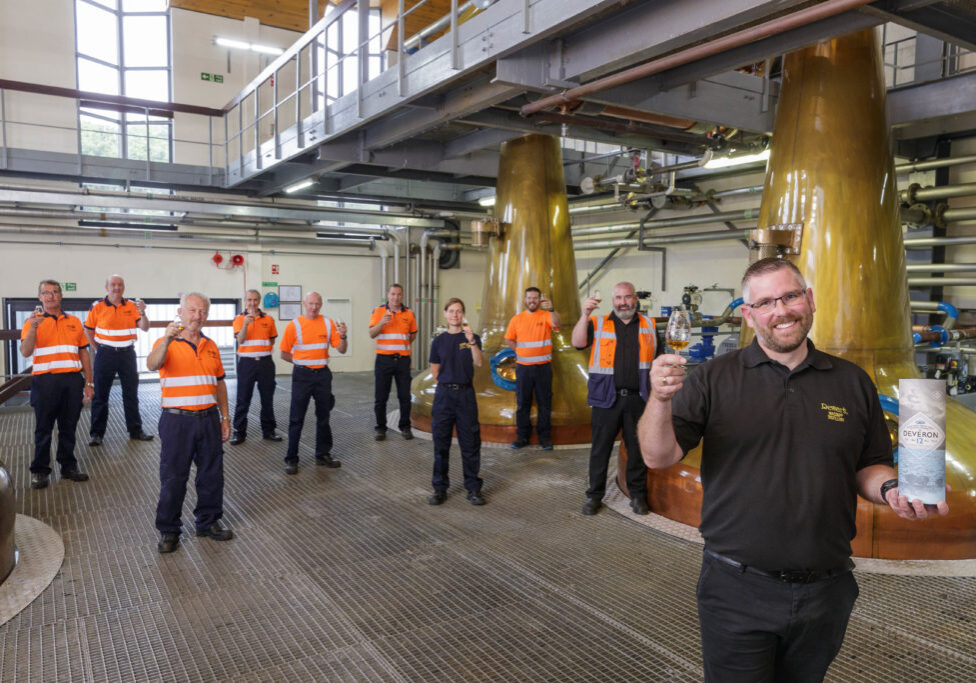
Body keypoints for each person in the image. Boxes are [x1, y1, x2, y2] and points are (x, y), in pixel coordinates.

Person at [638, 257, 950, 682]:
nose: (780, 310)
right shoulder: (713, 378)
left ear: (810, 300)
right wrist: (658, 400)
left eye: (790, 296)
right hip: (736, 587)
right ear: (748, 315)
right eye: (765, 302)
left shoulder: (852, 382)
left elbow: (869, 465)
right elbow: (658, 456)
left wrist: (893, 488)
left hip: (827, 588)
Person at [147, 291, 233, 554]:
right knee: (173, 476)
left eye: (203, 311)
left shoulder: (211, 345)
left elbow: (219, 383)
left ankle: (208, 522)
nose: (198, 316)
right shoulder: (167, 342)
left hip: (208, 419)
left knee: (211, 474)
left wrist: (225, 417)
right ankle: (169, 529)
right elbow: (152, 364)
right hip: (177, 421)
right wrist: (166, 339)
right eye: (193, 310)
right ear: (180, 312)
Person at [571, 281, 655, 516]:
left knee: (637, 450)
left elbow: (657, 360)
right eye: (618, 298)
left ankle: (637, 496)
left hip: (639, 399)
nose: (623, 302)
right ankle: (594, 496)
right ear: (612, 300)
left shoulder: (648, 325)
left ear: (635, 298)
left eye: (627, 297)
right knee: (600, 449)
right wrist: (584, 313)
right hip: (606, 398)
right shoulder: (597, 323)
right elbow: (577, 342)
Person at [20, 279, 94, 489]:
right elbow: (25, 351)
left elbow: (84, 353)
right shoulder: (32, 322)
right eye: (46, 293)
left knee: (69, 427)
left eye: (55, 292)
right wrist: (34, 328)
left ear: (61, 295)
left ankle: (68, 466)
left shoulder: (74, 322)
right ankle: (40, 471)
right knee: (43, 428)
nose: (51, 296)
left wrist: (89, 382)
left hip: (72, 381)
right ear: (40, 298)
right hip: (45, 381)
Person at [279, 291, 347, 475]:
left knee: (324, 417)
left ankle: (323, 454)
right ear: (304, 303)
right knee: (296, 418)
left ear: (321, 304)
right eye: (311, 303)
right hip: (302, 376)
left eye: (317, 304)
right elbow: (283, 353)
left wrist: (343, 336)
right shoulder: (294, 326)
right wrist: (301, 363)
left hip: (323, 375)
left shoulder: (328, 323)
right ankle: (291, 459)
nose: (314, 307)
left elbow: (341, 349)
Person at [427, 298, 485, 506]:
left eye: (459, 311)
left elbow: (478, 362)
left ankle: (473, 488)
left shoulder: (472, 337)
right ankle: (439, 488)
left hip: (465, 396)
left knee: (470, 444)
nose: (455, 315)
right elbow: (435, 369)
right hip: (444, 396)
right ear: (445, 314)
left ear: (463, 314)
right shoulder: (439, 341)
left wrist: (471, 342)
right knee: (441, 444)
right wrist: (447, 383)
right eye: (451, 311)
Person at [84, 274, 153, 446]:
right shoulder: (97, 306)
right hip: (105, 354)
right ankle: (97, 434)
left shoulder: (132, 306)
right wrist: (96, 348)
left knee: (131, 394)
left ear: (123, 287)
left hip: (127, 354)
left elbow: (145, 327)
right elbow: (89, 330)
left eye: (120, 285)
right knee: (100, 395)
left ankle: (135, 430)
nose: (117, 288)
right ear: (107, 287)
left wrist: (143, 312)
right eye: (113, 285)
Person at [505, 287, 561, 450]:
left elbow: (557, 323)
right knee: (523, 403)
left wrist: (551, 309)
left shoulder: (546, 315)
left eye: (535, 298)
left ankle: (544, 438)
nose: (532, 301)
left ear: (539, 300)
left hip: (543, 368)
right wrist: (520, 352)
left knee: (545, 403)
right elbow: (509, 339)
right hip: (523, 368)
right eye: (529, 298)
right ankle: (522, 437)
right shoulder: (517, 319)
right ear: (525, 300)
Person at [230, 289, 281, 445]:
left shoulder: (269, 319)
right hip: (246, 363)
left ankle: (268, 431)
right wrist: (246, 324)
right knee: (243, 398)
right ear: (245, 301)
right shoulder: (239, 319)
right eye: (249, 300)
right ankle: (239, 432)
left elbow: (272, 340)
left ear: (259, 301)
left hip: (265, 363)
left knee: (267, 398)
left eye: (255, 300)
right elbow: (241, 340)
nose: (252, 303)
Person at [368, 283, 417, 441]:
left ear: (402, 296)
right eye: (393, 294)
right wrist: (382, 322)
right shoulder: (378, 312)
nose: (396, 297)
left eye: (399, 294)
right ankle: (381, 428)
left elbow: (412, 335)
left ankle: (405, 426)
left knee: (404, 396)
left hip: (402, 360)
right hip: (384, 360)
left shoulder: (409, 313)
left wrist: (402, 348)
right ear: (388, 295)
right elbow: (371, 334)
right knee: (381, 397)